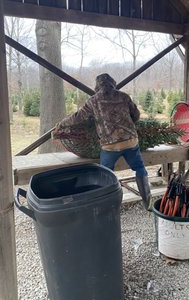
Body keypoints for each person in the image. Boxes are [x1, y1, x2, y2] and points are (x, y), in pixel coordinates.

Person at [54, 73, 151, 209]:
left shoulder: (94, 100)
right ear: (112, 83)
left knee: (106, 174)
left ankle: (108, 205)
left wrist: (62, 124)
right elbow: (136, 115)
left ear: (97, 86)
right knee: (140, 168)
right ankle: (147, 202)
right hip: (130, 140)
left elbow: (78, 117)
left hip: (110, 145)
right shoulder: (124, 96)